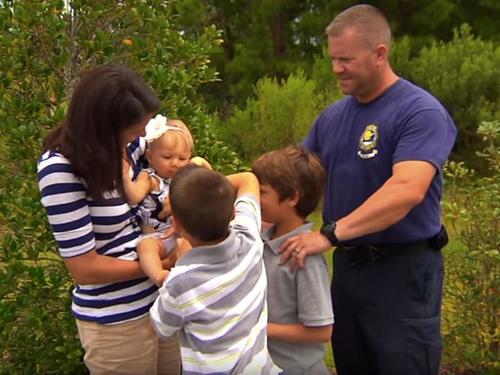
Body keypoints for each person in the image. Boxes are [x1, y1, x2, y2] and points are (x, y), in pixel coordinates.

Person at [280, 5, 457, 375]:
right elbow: (293, 175)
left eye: (345, 59)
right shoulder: (332, 118)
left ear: (380, 54)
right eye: (332, 58)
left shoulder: (419, 112)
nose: (336, 68)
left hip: (403, 273)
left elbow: (406, 191)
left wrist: (330, 234)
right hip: (349, 273)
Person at [37, 64, 180, 375]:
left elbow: (173, 138)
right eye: (133, 130)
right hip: (118, 322)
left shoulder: (128, 146)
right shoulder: (61, 170)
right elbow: (84, 268)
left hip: (161, 306)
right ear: (103, 127)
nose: (142, 135)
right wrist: (158, 266)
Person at [150, 165, 282, 374]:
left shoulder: (181, 283)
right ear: (233, 212)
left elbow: (162, 326)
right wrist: (208, 194)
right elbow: (248, 179)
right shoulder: (249, 237)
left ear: (175, 224)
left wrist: (181, 263)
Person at [252, 145, 334, 375]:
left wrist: (259, 328)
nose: (254, 198)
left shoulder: (305, 258)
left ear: (292, 197)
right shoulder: (263, 240)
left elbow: (321, 332)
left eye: (262, 192)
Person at [122, 114, 209, 286]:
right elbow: (134, 196)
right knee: (146, 247)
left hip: (183, 234)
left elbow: (211, 183)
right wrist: (124, 175)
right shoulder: (149, 178)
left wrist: (199, 163)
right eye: (167, 158)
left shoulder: (186, 177)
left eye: (182, 158)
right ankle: (158, 275)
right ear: (150, 156)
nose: (175, 163)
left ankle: (192, 281)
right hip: (158, 236)